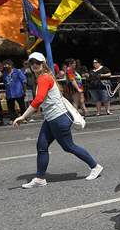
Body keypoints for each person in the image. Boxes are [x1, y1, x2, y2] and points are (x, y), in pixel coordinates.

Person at [13, 52, 103, 188]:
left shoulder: (44, 78)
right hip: (51, 118)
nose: (34, 65)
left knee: (68, 146)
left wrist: (23, 116)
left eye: (37, 62)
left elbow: (39, 99)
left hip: (58, 118)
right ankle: (40, 178)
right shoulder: (44, 77)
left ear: (43, 64)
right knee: (41, 146)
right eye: (31, 63)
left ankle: (95, 166)